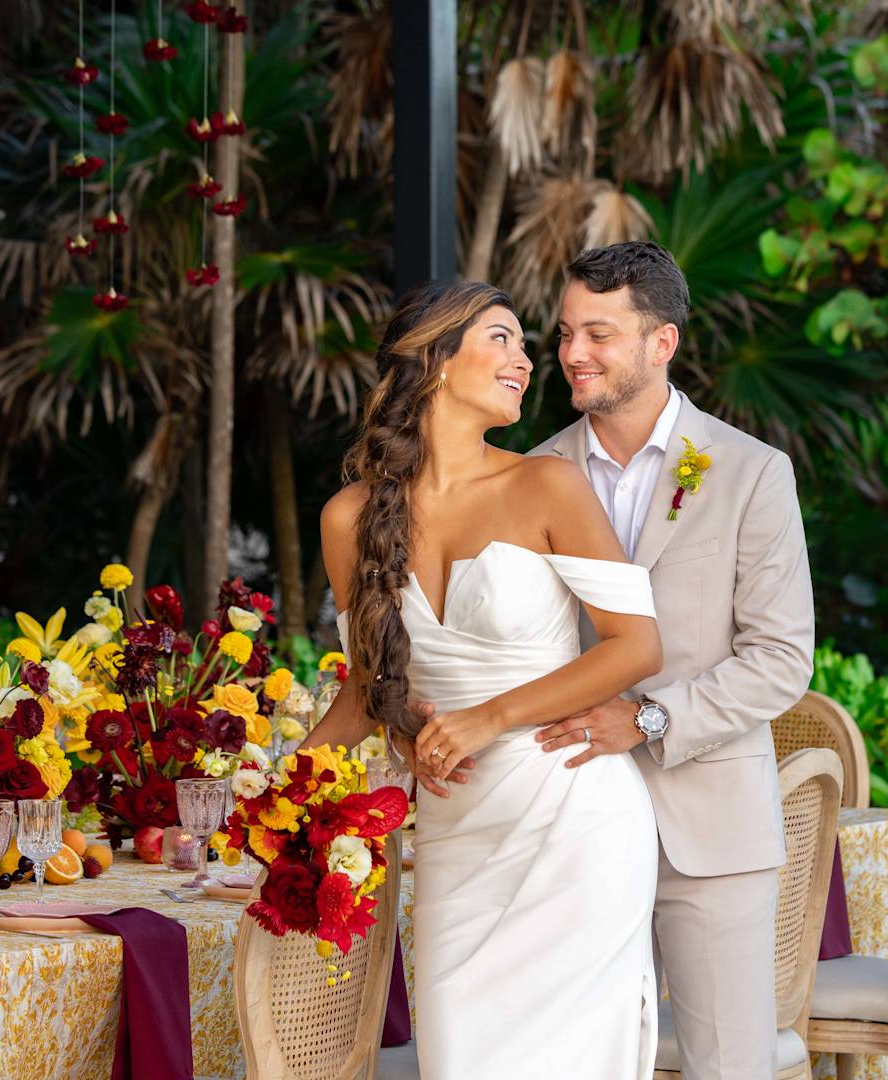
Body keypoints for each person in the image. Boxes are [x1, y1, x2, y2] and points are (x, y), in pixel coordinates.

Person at [427, 242, 818, 1079]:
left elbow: (782, 658)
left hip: (706, 830)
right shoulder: (532, 472)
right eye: (565, 332)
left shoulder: (751, 472)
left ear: (661, 343)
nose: (571, 354)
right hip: (561, 822)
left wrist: (647, 718)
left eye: (598, 334)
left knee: (726, 1067)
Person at [302, 279, 666, 1077]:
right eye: (501, 339)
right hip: (459, 834)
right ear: (434, 360)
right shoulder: (348, 517)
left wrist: (487, 718)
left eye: (523, 345)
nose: (528, 361)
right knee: (459, 1057)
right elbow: (368, 689)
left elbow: (635, 648)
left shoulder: (546, 485)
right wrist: (280, 791)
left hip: (575, 822)